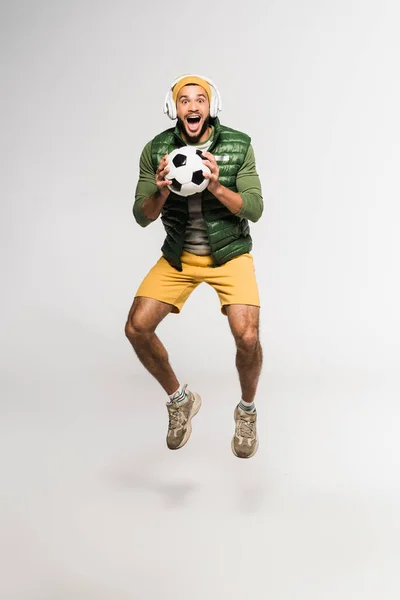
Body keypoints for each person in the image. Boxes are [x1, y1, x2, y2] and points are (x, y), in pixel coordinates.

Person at [125, 74, 264, 459]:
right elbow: (142, 216)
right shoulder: (157, 151)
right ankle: (179, 400)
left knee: (247, 337)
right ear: (175, 109)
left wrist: (217, 185)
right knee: (136, 327)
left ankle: (247, 411)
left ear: (210, 106)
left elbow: (255, 208)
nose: (192, 106)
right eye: (184, 100)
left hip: (230, 252)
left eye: (199, 99)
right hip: (179, 255)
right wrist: (163, 189)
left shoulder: (239, 145)